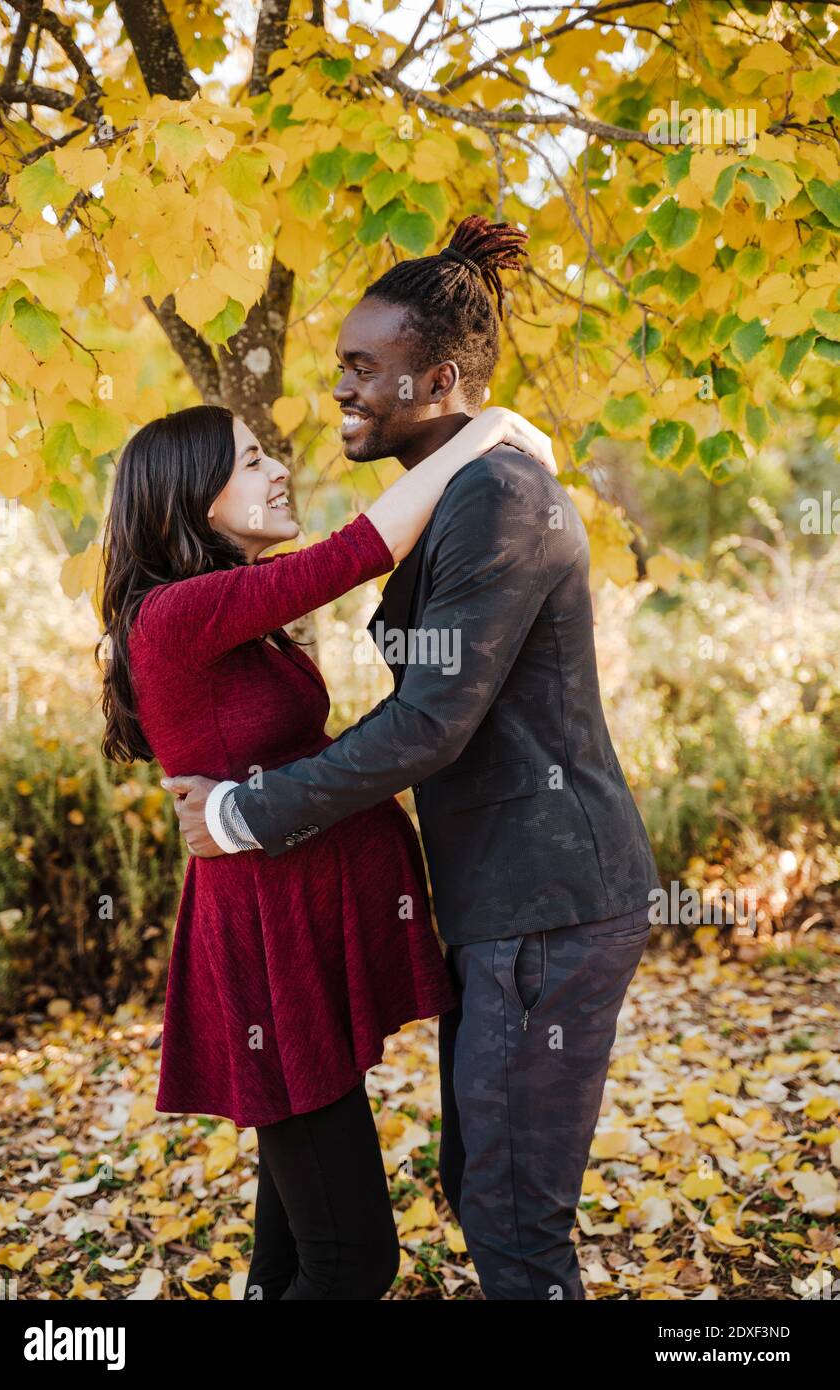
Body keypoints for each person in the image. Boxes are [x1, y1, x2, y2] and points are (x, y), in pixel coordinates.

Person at [165, 213, 661, 1301]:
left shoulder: (499, 497)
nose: (338, 387)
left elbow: (433, 719)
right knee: (483, 1179)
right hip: (498, 900)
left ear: (435, 378)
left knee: (513, 1215)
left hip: (548, 898)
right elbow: (370, 566)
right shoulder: (462, 492)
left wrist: (245, 814)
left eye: (361, 368)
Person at [97, 395, 557, 1301]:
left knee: (294, 1258)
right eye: (252, 459)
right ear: (191, 497)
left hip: (298, 927)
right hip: (271, 946)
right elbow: (356, 553)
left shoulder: (223, 618)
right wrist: (487, 429)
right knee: (352, 1265)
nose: (278, 471)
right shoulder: (175, 615)